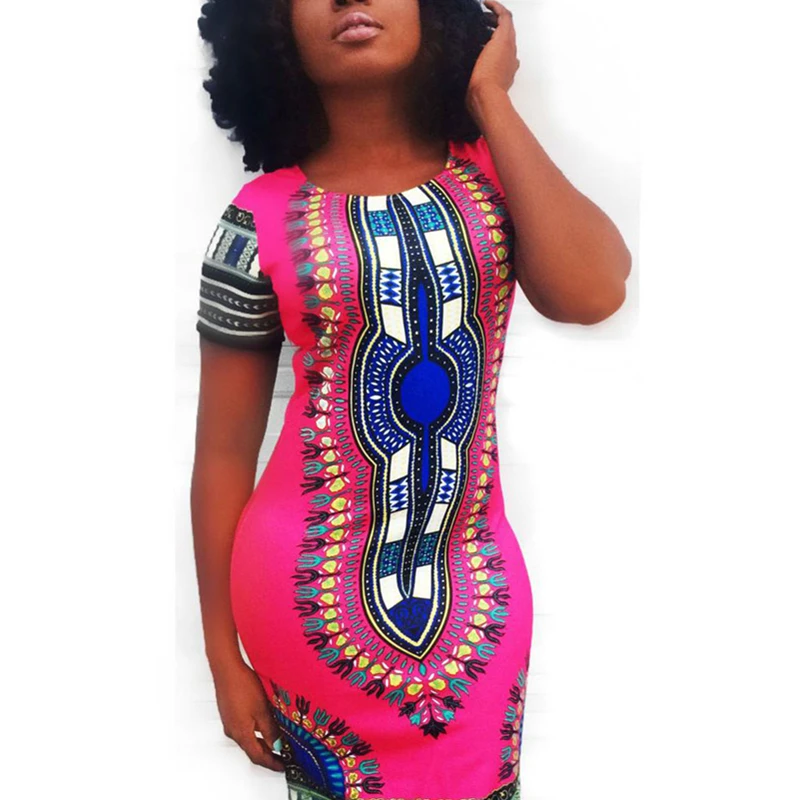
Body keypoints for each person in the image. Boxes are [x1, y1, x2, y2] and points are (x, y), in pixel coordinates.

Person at [191, 1, 630, 798]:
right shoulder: (254, 223)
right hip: (307, 602)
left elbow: (594, 293)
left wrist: (490, 99)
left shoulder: (494, 172)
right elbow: (222, 455)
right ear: (271, 28)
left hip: (477, 591)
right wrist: (223, 659)